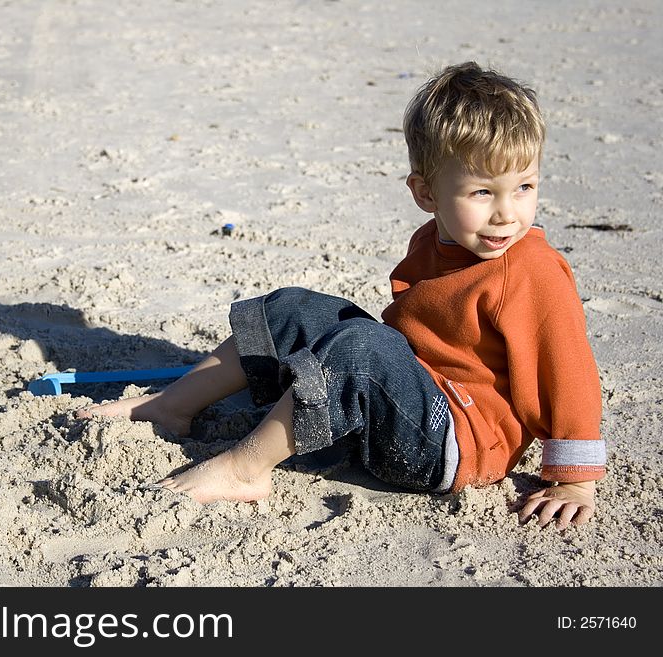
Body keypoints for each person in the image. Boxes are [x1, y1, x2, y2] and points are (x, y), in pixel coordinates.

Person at [77, 61, 605, 530]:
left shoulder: (531, 268)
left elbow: (568, 368)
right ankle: (173, 406)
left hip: (456, 442)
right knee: (295, 309)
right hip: (409, 400)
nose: (507, 213)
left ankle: (244, 470)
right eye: (482, 192)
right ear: (426, 194)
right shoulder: (435, 239)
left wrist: (575, 477)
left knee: (360, 350)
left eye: (525, 188)